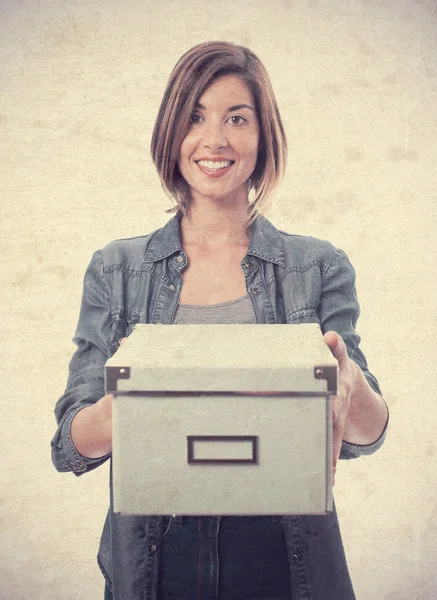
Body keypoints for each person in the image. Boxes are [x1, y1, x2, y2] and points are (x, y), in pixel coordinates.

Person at [51, 41, 389, 600]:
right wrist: (134, 402)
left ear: (263, 135)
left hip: (286, 562)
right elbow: (69, 446)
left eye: (237, 118)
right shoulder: (118, 269)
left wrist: (349, 386)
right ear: (170, 132)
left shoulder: (317, 265)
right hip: (156, 567)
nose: (215, 140)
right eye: (195, 117)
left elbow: (368, 435)